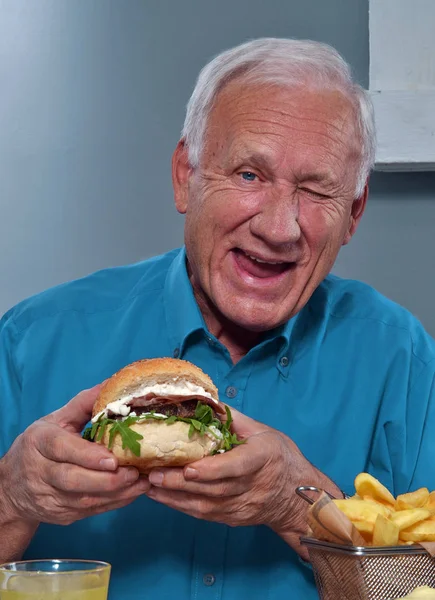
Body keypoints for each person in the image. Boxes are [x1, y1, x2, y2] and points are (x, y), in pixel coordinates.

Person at [0, 37, 434, 600]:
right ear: (186, 175)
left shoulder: (402, 359)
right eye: (250, 175)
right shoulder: (32, 341)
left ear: (352, 215)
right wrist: (11, 499)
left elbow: (419, 590)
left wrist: (298, 504)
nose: (279, 227)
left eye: (315, 189)